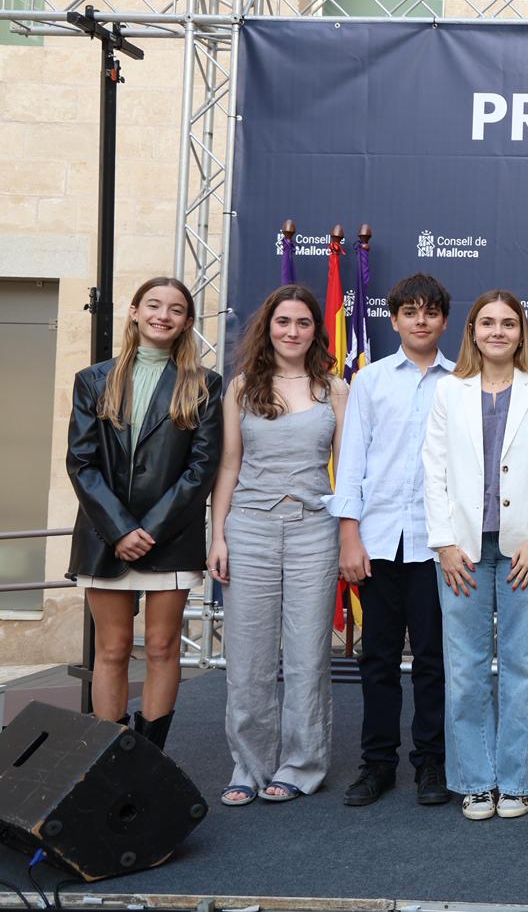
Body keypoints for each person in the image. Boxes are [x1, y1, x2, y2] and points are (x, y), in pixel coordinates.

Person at [422, 290, 528, 820]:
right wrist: (443, 544)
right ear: (473, 332)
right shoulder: (449, 390)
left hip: (527, 548)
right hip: (462, 549)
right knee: (465, 667)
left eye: (508, 323)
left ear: (521, 331)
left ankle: (519, 779)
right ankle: (475, 780)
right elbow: (433, 470)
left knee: (525, 666)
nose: (497, 332)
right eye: (488, 323)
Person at [66, 276, 222, 747]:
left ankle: (150, 759)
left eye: (176, 309)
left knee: (161, 647)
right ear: (134, 312)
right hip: (104, 536)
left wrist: (148, 529)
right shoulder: (93, 379)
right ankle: (111, 759)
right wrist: (120, 530)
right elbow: (82, 462)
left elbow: (202, 468)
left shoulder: (205, 385)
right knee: (112, 649)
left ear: (188, 322)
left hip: (170, 537)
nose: (163, 315)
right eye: (153, 305)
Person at [209, 284, 348, 805]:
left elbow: (346, 472)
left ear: (316, 331)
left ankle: (302, 764)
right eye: (283, 321)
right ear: (268, 327)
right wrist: (218, 536)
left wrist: (349, 534)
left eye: (303, 322)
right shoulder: (242, 387)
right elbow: (229, 464)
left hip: (314, 529)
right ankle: (249, 765)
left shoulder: (336, 390)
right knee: (248, 657)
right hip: (249, 529)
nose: (292, 331)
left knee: (309, 656)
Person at [330, 273, 453, 808]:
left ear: (444, 321)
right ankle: (377, 763)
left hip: (437, 545)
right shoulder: (370, 380)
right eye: (410, 312)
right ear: (394, 319)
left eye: (430, 312)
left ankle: (431, 762)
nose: (420, 321)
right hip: (377, 541)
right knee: (377, 659)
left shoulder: (460, 382)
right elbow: (352, 461)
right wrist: (349, 535)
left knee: (433, 659)